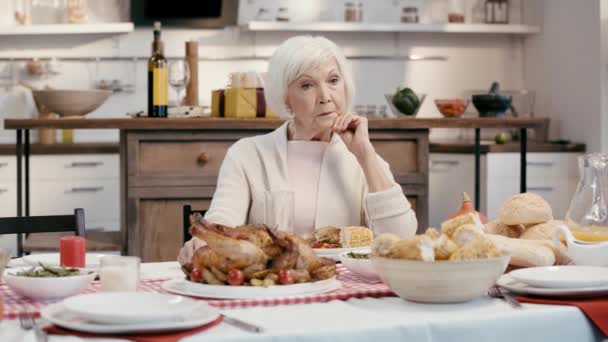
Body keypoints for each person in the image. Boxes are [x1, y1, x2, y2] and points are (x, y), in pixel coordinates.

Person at [178, 35, 417, 264]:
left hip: (344, 290)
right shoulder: (247, 155)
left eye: (333, 81)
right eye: (307, 85)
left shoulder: (363, 159)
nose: (325, 96)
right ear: (285, 99)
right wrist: (205, 241)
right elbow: (223, 218)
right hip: (273, 288)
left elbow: (402, 239)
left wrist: (366, 155)